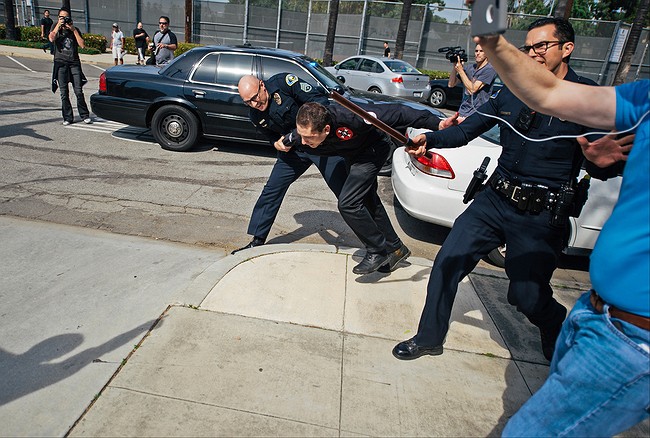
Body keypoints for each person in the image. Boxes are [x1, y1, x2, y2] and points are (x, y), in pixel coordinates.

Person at [467, 12, 650, 437]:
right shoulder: (643, 98)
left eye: (541, 47)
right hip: (594, 313)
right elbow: (545, 94)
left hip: (634, 343)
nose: (534, 54)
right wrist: (488, 21)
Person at [392, 17, 613, 363]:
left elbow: (606, 162)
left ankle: (554, 321)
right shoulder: (511, 89)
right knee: (448, 261)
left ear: (566, 49)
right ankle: (429, 336)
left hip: (541, 215)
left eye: (542, 45)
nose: (533, 53)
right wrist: (428, 139)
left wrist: (600, 158)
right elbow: (468, 130)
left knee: (525, 297)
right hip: (495, 199)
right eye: (528, 47)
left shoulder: (586, 98)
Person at [284, 101, 455, 274]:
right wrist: (285, 141)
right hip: (353, 155)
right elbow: (295, 137)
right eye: (301, 135)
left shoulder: (353, 117)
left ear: (326, 129)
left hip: (372, 152)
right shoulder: (306, 132)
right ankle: (396, 249)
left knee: (348, 203)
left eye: (309, 138)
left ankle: (377, 250)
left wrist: (437, 123)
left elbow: (399, 112)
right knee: (368, 201)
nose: (304, 142)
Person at [232, 73, 348, 257]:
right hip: (294, 152)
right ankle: (257, 240)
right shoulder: (255, 115)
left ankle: (378, 242)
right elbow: (272, 137)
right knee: (271, 190)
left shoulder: (284, 83)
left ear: (262, 85)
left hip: (320, 145)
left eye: (255, 98)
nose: (254, 104)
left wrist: (296, 134)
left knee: (346, 194)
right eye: (248, 102)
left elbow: (320, 104)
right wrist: (276, 144)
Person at [49, 7, 92, 126]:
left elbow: (82, 45)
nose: (63, 19)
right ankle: (68, 117)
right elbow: (51, 38)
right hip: (61, 63)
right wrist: (58, 25)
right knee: (64, 93)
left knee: (78, 91)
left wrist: (73, 30)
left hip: (74, 63)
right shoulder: (55, 27)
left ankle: (84, 115)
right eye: (61, 17)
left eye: (65, 17)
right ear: (58, 18)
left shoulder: (74, 29)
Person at [448, 44, 496, 120]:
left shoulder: (489, 69)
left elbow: (472, 90)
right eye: (476, 51)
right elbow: (451, 84)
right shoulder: (470, 68)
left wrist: (460, 71)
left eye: (481, 51)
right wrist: (455, 67)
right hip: (462, 111)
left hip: (476, 113)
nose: (478, 53)